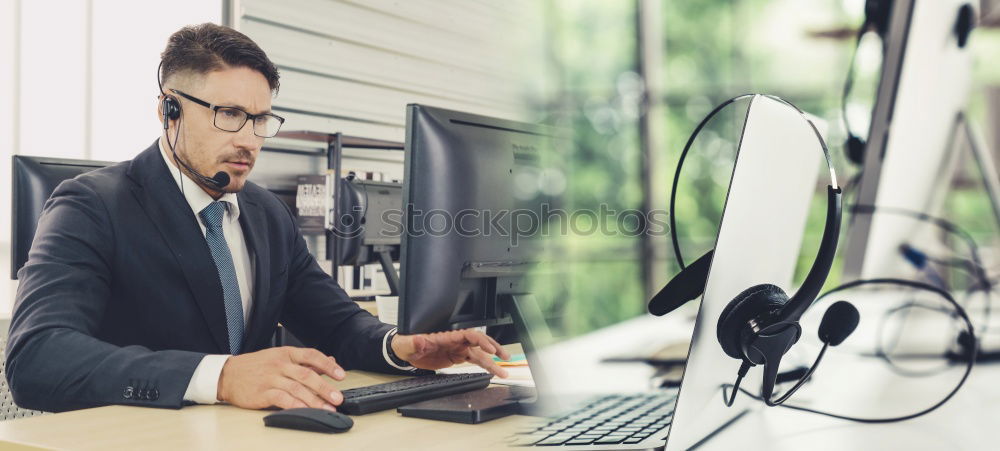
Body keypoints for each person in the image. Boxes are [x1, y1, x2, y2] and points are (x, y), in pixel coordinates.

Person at [5, 23, 509, 413]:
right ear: (168, 111)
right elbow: (38, 359)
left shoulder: (266, 213)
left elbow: (334, 323)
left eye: (260, 119)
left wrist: (400, 349)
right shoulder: (90, 207)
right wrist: (219, 377)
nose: (249, 139)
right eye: (228, 115)